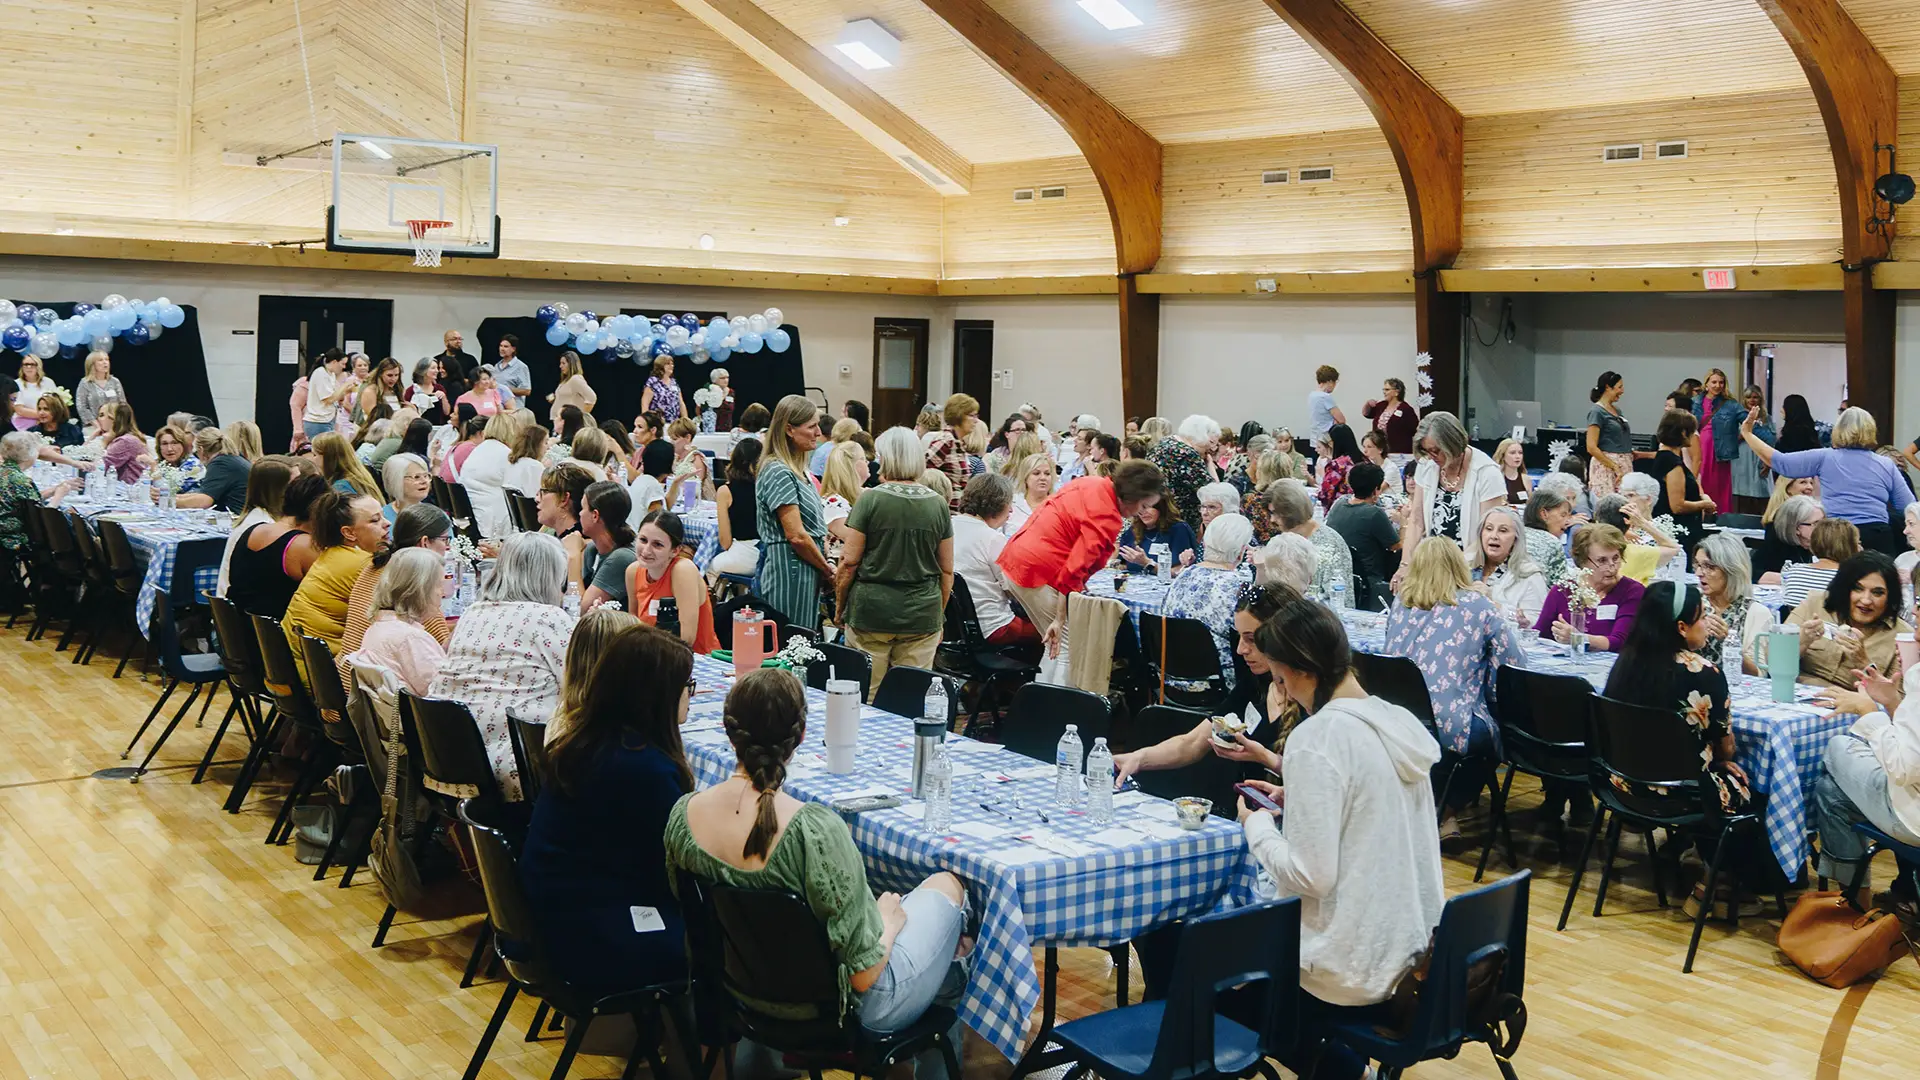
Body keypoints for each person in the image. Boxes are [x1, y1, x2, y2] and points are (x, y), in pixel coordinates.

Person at [665, 669, 971, 1080]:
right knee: (948, 898)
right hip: (838, 1011)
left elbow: (696, 920)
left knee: (943, 952)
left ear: (728, 730)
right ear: (803, 736)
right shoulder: (813, 830)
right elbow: (864, 976)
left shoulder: (683, 816)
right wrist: (888, 924)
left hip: (738, 992)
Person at [1237, 599, 1443, 1080]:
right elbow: (1370, 807)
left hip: (1350, 967)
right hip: (1414, 948)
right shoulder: (1395, 721)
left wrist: (1258, 827)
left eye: (1281, 679)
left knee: (1215, 991)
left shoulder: (1319, 736)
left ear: (1300, 671)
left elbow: (1312, 875)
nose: (1281, 691)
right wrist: (1298, 797)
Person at [520, 621, 695, 997]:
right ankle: (704, 1050)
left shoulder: (586, 742)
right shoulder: (643, 768)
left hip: (555, 917)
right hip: (592, 937)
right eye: (687, 688)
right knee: (728, 941)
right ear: (658, 695)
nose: (689, 697)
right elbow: (681, 863)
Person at [1387, 537, 1522, 839]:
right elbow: (1513, 663)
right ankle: (1445, 812)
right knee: (1496, 736)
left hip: (1398, 718)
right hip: (1450, 722)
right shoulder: (1477, 605)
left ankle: (1427, 809)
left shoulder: (1400, 603)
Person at [1111, 583, 1299, 794]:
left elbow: (1316, 780)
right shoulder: (1255, 685)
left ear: (1282, 636)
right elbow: (1192, 743)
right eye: (1239, 638)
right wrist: (1138, 758)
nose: (1240, 650)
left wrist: (1265, 757)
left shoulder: (1311, 701)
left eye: (1251, 639)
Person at [428, 532, 574, 799]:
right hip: (511, 767)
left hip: (445, 757)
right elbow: (582, 688)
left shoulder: (472, 613)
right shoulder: (550, 618)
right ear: (550, 576)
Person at [1000, 460, 1166, 662]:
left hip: (1018, 558)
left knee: (1054, 644)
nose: (1141, 511)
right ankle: (1062, 694)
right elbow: (1073, 571)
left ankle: (1047, 691)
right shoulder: (1107, 516)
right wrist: (1060, 619)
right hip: (1038, 570)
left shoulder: (1091, 482)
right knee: (1067, 645)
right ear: (1132, 496)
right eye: (1143, 505)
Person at [836, 428, 954, 692]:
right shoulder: (938, 504)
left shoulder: (870, 499)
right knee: (910, 696)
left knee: (865, 694)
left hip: (871, 612)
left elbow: (849, 562)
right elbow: (947, 570)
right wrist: (938, 614)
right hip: (922, 613)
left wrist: (840, 607)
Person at [1808, 656, 1920, 907]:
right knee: (1831, 792)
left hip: (1913, 820)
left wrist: (1867, 710)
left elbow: (1903, 768)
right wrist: (1893, 703)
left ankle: (1855, 910)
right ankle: (1859, 905)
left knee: (1839, 745)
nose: (1914, 619)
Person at [1741, 405, 1911, 556]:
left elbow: (1780, 462)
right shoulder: (1886, 465)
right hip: (1878, 536)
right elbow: (1909, 507)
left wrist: (1747, 434)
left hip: (1837, 536)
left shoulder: (1825, 457)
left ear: (1839, 430)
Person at [282, 491, 388, 686]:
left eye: (382, 516)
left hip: (290, 668)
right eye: (375, 520)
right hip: (323, 681)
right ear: (349, 533)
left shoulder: (332, 554)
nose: (387, 523)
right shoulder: (365, 565)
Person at [1396, 411, 1505, 584]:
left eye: (1436, 451)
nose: (1432, 457)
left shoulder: (1487, 473)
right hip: (1431, 566)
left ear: (1453, 444)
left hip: (1470, 569)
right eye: (1427, 451)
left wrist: (1455, 569)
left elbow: (1488, 533)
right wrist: (1405, 564)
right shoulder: (1427, 465)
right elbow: (1417, 521)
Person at [755, 396, 832, 633]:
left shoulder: (798, 471)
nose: (818, 433)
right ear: (789, 429)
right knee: (792, 644)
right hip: (790, 573)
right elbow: (797, 535)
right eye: (811, 426)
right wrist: (828, 571)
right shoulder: (778, 471)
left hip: (802, 568)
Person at [1789, 551, 1911, 690]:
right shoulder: (1815, 604)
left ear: (1890, 598)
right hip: (1797, 694)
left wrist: (1864, 663)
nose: (1866, 600)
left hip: (1856, 705)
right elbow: (1773, 663)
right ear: (1844, 589)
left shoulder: (1903, 636)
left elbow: (1899, 701)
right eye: (1858, 589)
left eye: (1877, 593)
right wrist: (1802, 642)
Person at [342, 546, 450, 697]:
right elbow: (445, 692)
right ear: (420, 590)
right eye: (439, 585)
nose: (443, 593)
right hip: (417, 717)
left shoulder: (378, 626)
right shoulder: (410, 638)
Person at [1164, 512, 1256, 685]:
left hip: (1171, 679)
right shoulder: (1238, 588)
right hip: (1222, 685)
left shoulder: (1182, 575)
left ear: (1205, 544)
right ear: (1241, 552)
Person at [951, 473, 1039, 649]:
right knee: (1057, 630)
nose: (1012, 510)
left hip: (955, 626)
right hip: (992, 627)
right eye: (1009, 503)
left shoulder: (949, 525)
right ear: (997, 504)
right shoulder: (993, 539)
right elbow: (1014, 589)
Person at [1535, 524, 1645, 653]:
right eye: (1602, 560)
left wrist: (1579, 638)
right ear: (1582, 561)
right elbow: (1540, 635)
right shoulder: (1563, 590)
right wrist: (1526, 626)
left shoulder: (1632, 591)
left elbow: (1621, 642)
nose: (1612, 567)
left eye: (1616, 558)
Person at [625, 510, 722, 653]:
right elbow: (632, 626)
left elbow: (686, 639)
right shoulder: (632, 572)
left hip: (693, 658)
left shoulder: (683, 570)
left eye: (657, 545)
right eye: (643, 540)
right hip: (649, 655)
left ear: (675, 551)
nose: (646, 550)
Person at [216, 457, 311, 600]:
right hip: (244, 612)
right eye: (296, 483)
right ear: (278, 489)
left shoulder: (262, 517)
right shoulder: (262, 526)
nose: (302, 487)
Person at [1692, 532, 1775, 676]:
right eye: (1698, 565)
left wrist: (1729, 643)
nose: (1699, 573)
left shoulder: (1756, 613)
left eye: (1709, 567)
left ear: (1731, 570)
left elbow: (1758, 674)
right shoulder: (1692, 601)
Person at [1324, 462, 1399, 610]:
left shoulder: (1339, 503)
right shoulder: (1374, 514)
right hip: (1370, 581)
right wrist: (1403, 523)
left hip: (1342, 577)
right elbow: (1396, 546)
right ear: (1377, 489)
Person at [1268, 478, 1353, 603]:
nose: (1272, 520)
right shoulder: (1283, 539)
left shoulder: (1330, 543)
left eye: (1276, 513)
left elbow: (1342, 600)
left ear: (1291, 511)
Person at [1471, 504, 1548, 626]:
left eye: (1503, 531)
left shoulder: (1529, 574)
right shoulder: (1465, 567)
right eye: (1489, 529)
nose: (1494, 536)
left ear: (1516, 539)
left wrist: (1492, 604)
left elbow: (1534, 624)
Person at [0, 432, 77, 552]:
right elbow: (43, 519)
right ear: (28, 455)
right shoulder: (21, 481)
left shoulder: (5, 473)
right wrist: (58, 496)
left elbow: (23, 501)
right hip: (11, 539)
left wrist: (53, 490)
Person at [455, 412, 522, 538]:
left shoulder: (478, 450)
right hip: (493, 517)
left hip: (473, 512)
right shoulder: (506, 454)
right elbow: (518, 487)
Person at [1585, 371, 1652, 498]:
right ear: (1607, 387)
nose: (1622, 391)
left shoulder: (1617, 411)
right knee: (1608, 505)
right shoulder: (1596, 412)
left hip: (1624, 464)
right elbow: (1591, 447)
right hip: (1606, 466)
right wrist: (1614, 466)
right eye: (1619, 387)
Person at [1653, 408, 1714, 546]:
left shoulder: (1664, 457)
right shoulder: (1673, 463)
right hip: (1680, 532)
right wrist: (1704, 505)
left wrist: (1702, 497)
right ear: (1683, 433)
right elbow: (1677, 505)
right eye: (1692, 432)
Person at [1147, 414, 1220, 526]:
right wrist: (1210, 463)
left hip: (1156, 512)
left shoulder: (1163, 443)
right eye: (1210, 444)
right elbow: (1213, 491)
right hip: (1177, 520)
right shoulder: (1187, 454)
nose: (1210, 449)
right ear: (1200, 436)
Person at [579, 480, 637, 613]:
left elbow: (580, 609)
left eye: (582, 508)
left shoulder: (622, 558)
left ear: (595, 515)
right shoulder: (593, 549)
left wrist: (574, 556)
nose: (580, 514)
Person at [710, 438, 762, 581]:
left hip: (745, 554)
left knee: (709, 566)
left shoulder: (725, 491)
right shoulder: (767, 487)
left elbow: (725, 541)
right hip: (770, 555)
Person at [537, 462, 594, 592]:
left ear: (564, 498)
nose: (537, 498)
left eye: (543, 492)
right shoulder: (552, 532)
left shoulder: (583, 546)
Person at [1781, 518, 1861, 610]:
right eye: (1857, 543)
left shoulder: (1795, 570)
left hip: (1795, 622)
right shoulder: (1850, 577)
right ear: (1851, 546)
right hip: (1832, 623)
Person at [921, 393, 981, 507]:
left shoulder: (957, 443)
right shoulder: (945, 442)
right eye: (972, 416)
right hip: (944, 510)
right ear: (959, 416)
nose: (976, 420)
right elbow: (924, 474)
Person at [1693, 368, 1740, 510]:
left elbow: (1744, 419)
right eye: (1714, 382)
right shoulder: (1695, 402)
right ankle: (1702, 510)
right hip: (1700, 448)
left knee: (1721, 483)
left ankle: (1720, 513)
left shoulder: (1731, 404)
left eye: (1721, 382)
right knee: (1702, 479)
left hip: (1721, 450)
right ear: (1706, 384)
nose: (1717, 385)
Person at [1114, 498, 1196, 574]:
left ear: (1162, 507)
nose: (1142, 512)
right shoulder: (1132, 531)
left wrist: (1147, 563)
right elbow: (1123, 565)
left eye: (1147, 507)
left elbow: (1180, 571)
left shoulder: (1178, 529)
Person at [1757, 489, 1824, 581]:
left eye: (1823, 522)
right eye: (1816, 524)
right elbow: (1754, 574)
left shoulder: (1825, 545)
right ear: (1796, 528)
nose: (1823, 528)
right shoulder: (1776, 546)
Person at [177, 428, 250, 512]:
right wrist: (176, 497)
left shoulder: (220, 463)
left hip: (237, 516)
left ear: (201, 450)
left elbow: (204, 501)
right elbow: (206, 493)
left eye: (196, 453)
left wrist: (170, 501)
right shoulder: (232, 458)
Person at [303, 350, 356, 442]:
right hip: (318, 421)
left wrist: (346, 390)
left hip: (328, 419)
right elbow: (328, 399)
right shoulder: (321, 373)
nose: (344, 367)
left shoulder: (331, 374)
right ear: (334, 362)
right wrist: (345, 385)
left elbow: (336, 396)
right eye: (342, 364)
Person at [312, 431, 381, 501]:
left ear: (328, 457)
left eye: (315, 455)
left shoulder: (340, 488)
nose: (312, 459)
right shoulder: (359, 475)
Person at [1362, 377, 1418, 455]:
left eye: (1387, 390)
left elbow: (1415, 430)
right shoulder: (1381, 405)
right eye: (1384, 390)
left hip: (1398, 451)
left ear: (1397, 392)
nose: (1384, 392)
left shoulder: (1406, 409)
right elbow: (1367, 414)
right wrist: (1368, 404)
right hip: (1380, 450)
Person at [1005, 452, 1058, 534]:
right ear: (1025, 477)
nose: (1043, 478)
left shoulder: (1058, 506)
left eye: (1047, 474)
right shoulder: (1011, 504)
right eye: (1036, 473)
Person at [1314, 423, 1363, 510]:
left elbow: (1326, 494)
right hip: (1363, 506)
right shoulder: (1364, 459)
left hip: (1341, 509)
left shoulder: (1338, 465)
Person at [74, 351, 126, 429]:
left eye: (107, 359)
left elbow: (123, 404)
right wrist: (98, 426)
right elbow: (81, 407)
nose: (105, 362)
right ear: (92, 364)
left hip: (115, 426)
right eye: (101, 360)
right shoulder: (85, 383)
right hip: (93, 427)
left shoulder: (115, 381)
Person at [628, 438, 674, 523]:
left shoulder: (640, 480)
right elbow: (658, 522)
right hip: (642, 534)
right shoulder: (653, 487)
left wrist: (676, 484)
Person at [7, 356, 60, 431]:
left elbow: (56, 405)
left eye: (32, 364)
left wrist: (45, 418)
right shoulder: (16, 383)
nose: (29, 367)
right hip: (23, 424)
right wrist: (43, 416)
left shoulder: (48, 382)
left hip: (47, 423)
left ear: (38, 366)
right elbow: (19, 410)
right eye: (26, 364)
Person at [548, 350, 596, 427]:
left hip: (568, 423)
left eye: (563, 363)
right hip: (559, 422)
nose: (560, 366)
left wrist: (581, 417)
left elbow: (592, 398)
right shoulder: (566, 380)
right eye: (560, 363)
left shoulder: (575, 379)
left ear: (571, 364)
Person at [152, 424, 204, 491]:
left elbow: (168, 494)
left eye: (174, 443)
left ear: (183, 445)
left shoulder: (194, 466)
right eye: (164, 444)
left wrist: (154, 470)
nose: (169, 449)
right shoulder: (158, 463)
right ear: (159, 447)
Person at [503, 422, 548, 496]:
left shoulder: (513, 463)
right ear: (536, 444)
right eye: (546, 442)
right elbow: (540, 496)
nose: (548, 447)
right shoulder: (534, 466)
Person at [404, 357, 451, 426]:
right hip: (417, 427)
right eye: (433, 368)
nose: (437, 371)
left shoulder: (439, 388)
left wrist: (443, 398)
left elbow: (447, 412)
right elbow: (406, 412)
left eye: (437, 368)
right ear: (423, 370)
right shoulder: (411, 390)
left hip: (437, 427)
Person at [355, 358, 404, 422]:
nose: (393, 379)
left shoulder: (398, 390)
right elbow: (372, 418)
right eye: (390, 375)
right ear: (381, 374)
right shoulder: (370, 391)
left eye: (396, 375)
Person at [1307, 364, 1347, 441]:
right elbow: (1342, 420)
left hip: (1315, 438)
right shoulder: (1325, 397)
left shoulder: (1312, 395)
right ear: (1330, 381)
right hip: (1327, 439)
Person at [435, 330, 478, 401]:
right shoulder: (437, 359)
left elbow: (477, 379)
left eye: (460, 339)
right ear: (446, 342)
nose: (458, 341)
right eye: (454, 339)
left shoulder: (470, 359)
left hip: (464, 396)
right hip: (441, 396)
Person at [1494, 437, 1530, 505]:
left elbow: (1531, 506)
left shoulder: (1526, 479)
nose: (1517, 456)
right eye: (1512, 453)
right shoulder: (1496, 478)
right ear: (1503, 456)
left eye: (1520, 453)